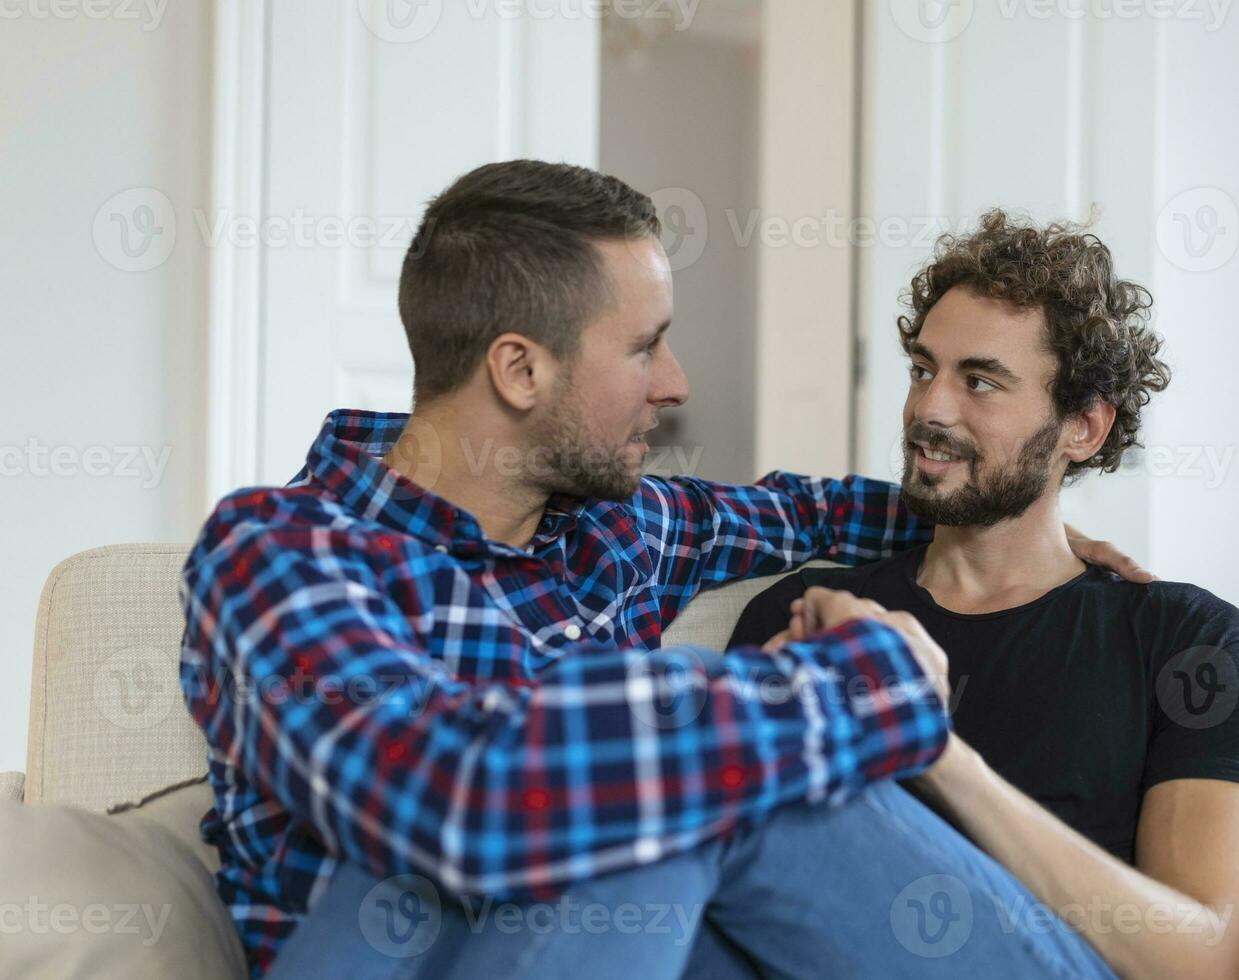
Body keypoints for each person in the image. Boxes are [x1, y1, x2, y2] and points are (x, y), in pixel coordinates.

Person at [179, 162, 1144, 978]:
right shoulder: (280, 552)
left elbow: (806, 510)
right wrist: (858, 689)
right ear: (521, 372)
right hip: (389, 949)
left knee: (680, 775)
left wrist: (1013, 512)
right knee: (672, 747)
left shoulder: (619, 529)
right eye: (645, 346)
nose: (677, 384)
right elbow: (454, 802)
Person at [731, 210, 1239, 980]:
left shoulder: (1182, 636)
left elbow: (1209, 962)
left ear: (1083, 428)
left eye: (980, 381)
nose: (930, 409)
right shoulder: (809, 611)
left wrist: (930, 750)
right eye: (923, 369)